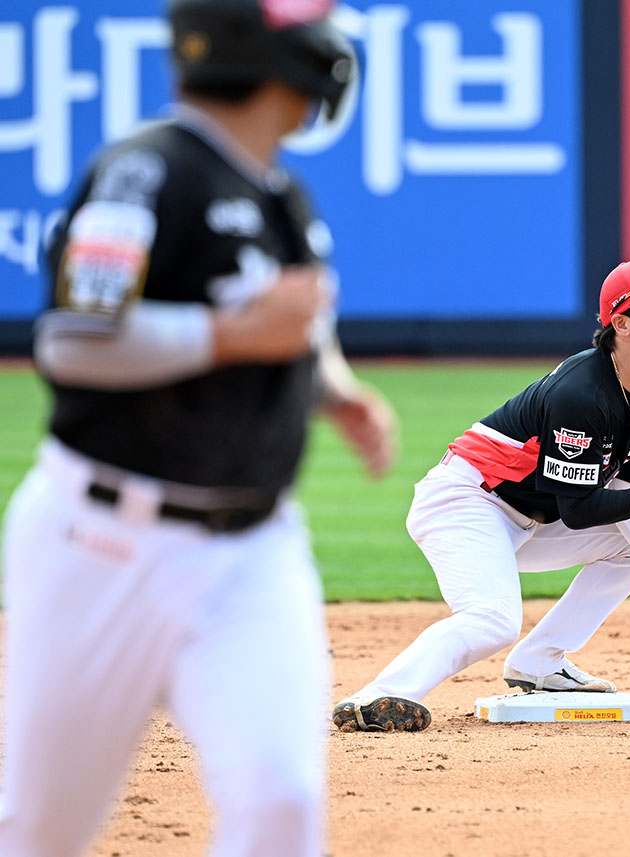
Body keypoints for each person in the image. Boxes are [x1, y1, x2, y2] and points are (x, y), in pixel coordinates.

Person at [0, 1, 395, 855]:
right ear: (270, 59)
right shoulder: (144, 173)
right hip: (99, 543)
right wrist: (231, 336)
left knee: (282, 800)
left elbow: (294, 322)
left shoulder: (281, 191)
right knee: (38, 828)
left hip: (254, 550)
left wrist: (336, 389)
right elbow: (73, 339)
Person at [333, 259, 630, 733]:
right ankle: (379, 697)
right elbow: (580, 512)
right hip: (467, 503)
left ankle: (541, 661)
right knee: (492, 620)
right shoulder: (581, 393)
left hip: (530, 519)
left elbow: (623, 491)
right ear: (621, 325)